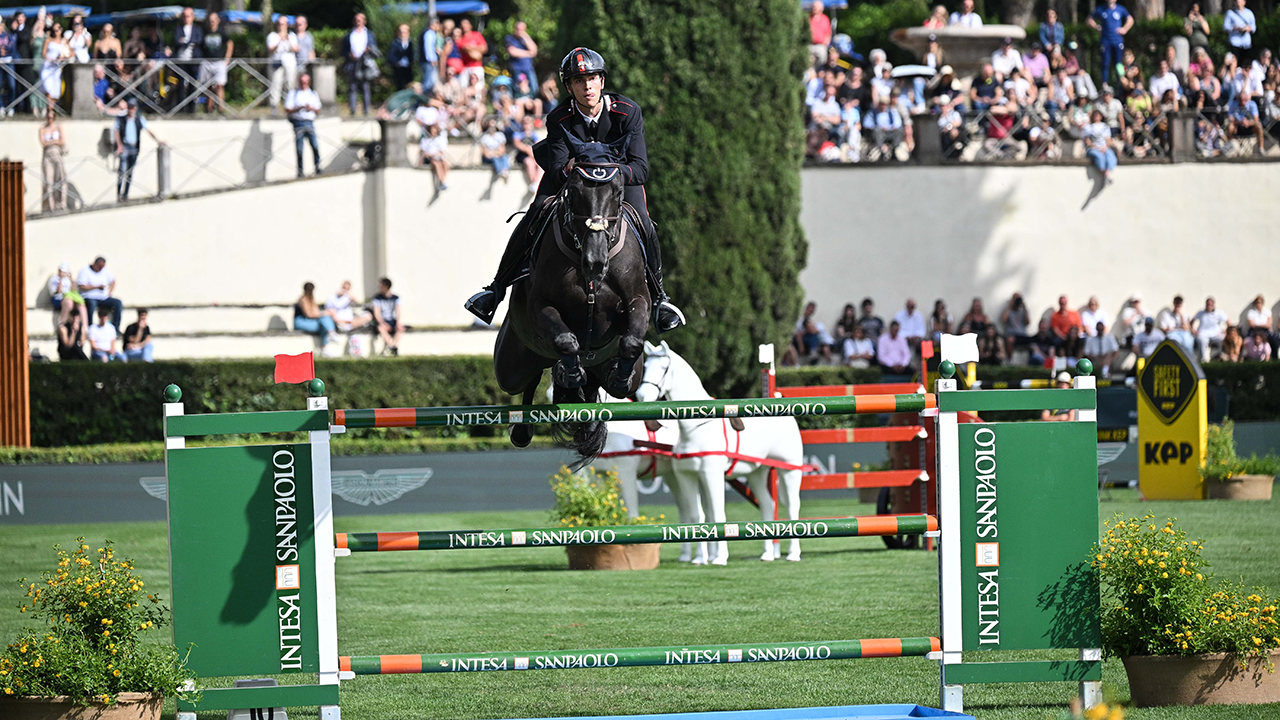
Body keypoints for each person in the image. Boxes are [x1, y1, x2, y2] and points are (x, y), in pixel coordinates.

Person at [464, 47, 685, 333]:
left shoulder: (627, 112)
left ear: (602, 81)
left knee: (643, 221)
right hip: (573, 182)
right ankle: (495, 290)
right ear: (569, 87)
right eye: (579, 81)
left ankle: (660, 300)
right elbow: (556, 170)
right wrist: (577, 172)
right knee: (535, 213)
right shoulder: (559, 118)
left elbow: (640, 169)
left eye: (592, 78)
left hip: (618, 184)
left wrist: (609, 174)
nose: (587, 86)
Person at [113, 98, 161, 201]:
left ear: (135, 108)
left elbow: (149, 130)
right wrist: (119, 145)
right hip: (125, 147)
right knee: (122, 171)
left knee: (130, 172)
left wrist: (158, 141)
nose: (131, 110)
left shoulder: (139, 119)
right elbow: (116, 131)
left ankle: (125, 194)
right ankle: (118, 194)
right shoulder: (121, 118)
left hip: (134, 147)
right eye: (129, 107)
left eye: (132, 107)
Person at [1087, 0, 1133, 86]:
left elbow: (1130, 19)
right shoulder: (1101, 9)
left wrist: (1125, 29)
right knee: (1105, 63)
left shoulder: (1120, 9)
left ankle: (1121, 84)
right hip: (1105, 40)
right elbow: (1089, 20)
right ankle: (1105, 84)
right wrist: (1097, 27)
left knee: (1119, 63)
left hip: (1117, 40)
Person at [285, 73, 323, 177]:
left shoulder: (312, 94)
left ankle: (318, 167)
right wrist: (299, 108)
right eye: (302, 82)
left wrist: (311, 108)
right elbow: (287, 109)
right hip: (298, 123)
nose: (304, 84)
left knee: (315, 146)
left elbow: (318, 109)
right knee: (299, 148)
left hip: (310, 122)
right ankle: (300, 171)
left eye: (305, 82)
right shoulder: (293, 93)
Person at [341, 13, 378, 116]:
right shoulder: (349, 35)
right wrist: (349, 55)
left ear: (364, 21)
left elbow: (375, 49)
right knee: (352, 86)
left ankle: (366, 110)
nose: (358, 22)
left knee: (365, 86)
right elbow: (343, 50)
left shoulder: (369, 34)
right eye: (356, 20)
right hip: (353, 62)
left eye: (360, 20)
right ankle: (352, 110)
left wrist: (368, 50)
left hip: (365, 63)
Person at [76, 256, 123, 331]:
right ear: (95, 264)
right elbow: (81, 286)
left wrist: (109, 292)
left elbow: (113, 281)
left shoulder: (105, 271)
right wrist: (96, 287)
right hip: (89, 297)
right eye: (100, 267)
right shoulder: (84, 270)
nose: (101, 269)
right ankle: (90, 327)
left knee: (118, 303)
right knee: (91, 305)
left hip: (103, 298)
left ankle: (115, 328)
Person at [198, 13, 232, 114]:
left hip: (219, 62)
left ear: (218, 21)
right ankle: (209, 108)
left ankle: (221, 109)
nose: (211, 22)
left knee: (220, 85)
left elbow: (230, 43)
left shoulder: (222, 32)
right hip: (207, 62)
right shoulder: (204, 32)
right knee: (208, 86)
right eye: (210, 20)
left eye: (213, 20)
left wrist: (227, 58)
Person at [170, 7, 202, 113]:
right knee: (180, 85)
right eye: (184, 16)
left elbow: (198, 40)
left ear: (192, 17)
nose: (186, 18)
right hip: (181, 60)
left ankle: (191, 109)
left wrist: (185, 41)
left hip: (193, 60)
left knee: (193, 85)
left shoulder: (197, 29)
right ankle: (181, 109)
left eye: (188, 16)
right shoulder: (178, 28)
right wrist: (188, 42)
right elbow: (176, 41)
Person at [267, 16, 298, 115]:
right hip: (277, 62)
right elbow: (270, 49)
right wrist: (280, 40)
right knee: (275, 85)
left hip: (289, 63)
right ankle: (274, 107)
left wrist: (287, 40)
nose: (281, 26)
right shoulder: (272, 36)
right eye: (279, 24)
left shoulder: (292, 36)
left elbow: (296, 48)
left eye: (283, 24)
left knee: (290, 84)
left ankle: (290, 106)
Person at [39, 106, 67, 212]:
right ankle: (49, 206)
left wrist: (52, 141)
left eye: (52, 117)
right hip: (47, 155)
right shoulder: (42, 128)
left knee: (61, 178)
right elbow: (43, 143)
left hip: (57, 154)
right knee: (48, 181)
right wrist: (54, 141)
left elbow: (62, 141)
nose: (50, 119)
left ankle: (61, 203)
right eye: (48, 117)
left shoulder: (59, 126)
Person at [511, 112, 543, 194]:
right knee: (529, 162)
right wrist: (528, 150)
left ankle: (535, 183)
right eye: (524, 122)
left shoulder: (534, 134)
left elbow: (538, 144)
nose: (526, 125)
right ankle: (534, 183)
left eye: (528, 122)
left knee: (540, 163)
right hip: (522, 155)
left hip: (533, 154)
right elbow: (517, 143)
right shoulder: (518, 134)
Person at [1083, 109, 1117, 184]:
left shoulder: (1105, 127)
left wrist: (1104, 147)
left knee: (1110, 155)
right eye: (1095, 115)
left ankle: (1108, 173)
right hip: (1093, 148)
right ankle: (1105, 174)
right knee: (1099, 157)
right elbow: (1087, 141)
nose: (1097, 117)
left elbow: (1108, 140)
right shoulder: (1088, 127)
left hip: (1104, 147)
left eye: (1098, 115)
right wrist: (1096, 147)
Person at [371, 277, 403, 356]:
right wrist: (383, 323)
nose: (379, 288)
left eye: (380, 286)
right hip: (382, 320)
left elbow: (398, 311)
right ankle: (393, 347)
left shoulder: (395, 298)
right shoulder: (377, 298)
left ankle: (392, 346)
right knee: (381, 328)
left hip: (392, 320)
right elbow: (376, 313)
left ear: (386, 287)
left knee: (400, 329)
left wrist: (398, 323)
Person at [1192, 296, 1228, 362]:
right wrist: (1194, 331)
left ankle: (1221, 358)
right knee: (1202, 341)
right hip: (1203, 334)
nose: (1209, 306)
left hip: (1216, 334)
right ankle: (1203, 360)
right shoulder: (1200, 313)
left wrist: (1225, 331)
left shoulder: (1219, 313)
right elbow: (1191, 322)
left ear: (1213, 304)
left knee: (1223, 339)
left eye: (1211, 304)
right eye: (1208, 304)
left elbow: (1228, 322)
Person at [505, 21, 538, 87]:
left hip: (528, 68)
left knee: (534, 88)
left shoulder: (526, 39)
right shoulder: (510, 39)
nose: (520, 31)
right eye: (518, 29)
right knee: (518, 89)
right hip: (517, 69)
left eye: (522, 29)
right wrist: (529, 53)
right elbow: (513, 52)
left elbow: (534, 51)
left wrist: (526, 37)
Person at [456, 18, 487, 88]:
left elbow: (484, 48)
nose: (465, 27)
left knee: (478, 88)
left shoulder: (476, 35)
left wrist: (471, 48)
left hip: (477, 66)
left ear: (470, 26)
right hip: (465, 67)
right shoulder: (460, 39)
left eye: (466, 24)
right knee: (463, 87)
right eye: (463, 25)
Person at [388, 24, 414, 90]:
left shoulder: (410, 43)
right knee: (399, 86)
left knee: (409, 85)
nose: (402, 34)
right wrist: (396, 62)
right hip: (398, 68)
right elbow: (391, 56)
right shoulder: (395, 43)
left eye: (404, 32)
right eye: (401, 32)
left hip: (408, 67)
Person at [419, 16, 441, 95]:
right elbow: (428, 47)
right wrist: (432, 59)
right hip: (428, 62)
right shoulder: (430, 33)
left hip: (426, 61)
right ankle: (421, 100)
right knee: (427, 83)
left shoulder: (428, 33)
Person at [808, 1, 832, 65]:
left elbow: (828, 33)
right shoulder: (808, 18)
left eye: (815, 7)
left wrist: (826, 43)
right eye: (813, 7)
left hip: (821, 45)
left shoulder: (825, 19)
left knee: (822, 62)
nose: (814, 9)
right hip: (810, 44)